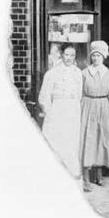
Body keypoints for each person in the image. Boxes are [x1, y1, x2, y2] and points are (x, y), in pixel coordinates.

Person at [38, 43, 82, 179]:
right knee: (56, 140)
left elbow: (79, 94)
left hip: (72, 111)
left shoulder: (78, 73)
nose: (69, 58)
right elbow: (44, 95)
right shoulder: (52, 73)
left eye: (72, 55)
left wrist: (75, 110)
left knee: (71, 141)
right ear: (61, 55)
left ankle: (70, 172)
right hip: (57, 110)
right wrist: (49, 111)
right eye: (66, 54)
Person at [79, 40, 109, 191]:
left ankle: (98, 173)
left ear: (103, 57)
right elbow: (79, 93)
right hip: (87, 106)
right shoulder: (84, 73)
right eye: (93, 55)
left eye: (99, 56)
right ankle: (86, 176)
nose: (96, 58)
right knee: (88, 139)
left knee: (101, 139)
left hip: (103, 107)